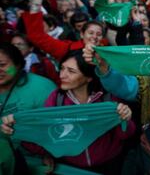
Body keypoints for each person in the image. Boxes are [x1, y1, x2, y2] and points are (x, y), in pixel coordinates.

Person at [1, 50, 136, 174]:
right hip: (70, 168)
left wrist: (124, 118)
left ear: (89, 77)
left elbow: (125, 135)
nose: (62, 75)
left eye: (71, 71)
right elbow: (46, 136)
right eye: (62, 69)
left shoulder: (107, 97)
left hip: (110, 165)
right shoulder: (56, 99)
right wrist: (18, 130)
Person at [0, 42, 56, 175]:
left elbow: (57, 128)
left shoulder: (43, 88)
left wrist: (49, 152)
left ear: (18, 64)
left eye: (2, 65)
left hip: (34, 159)